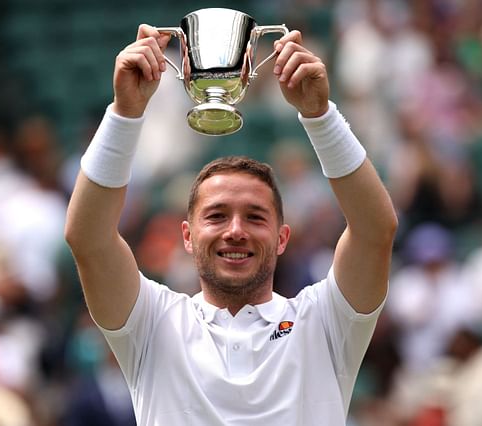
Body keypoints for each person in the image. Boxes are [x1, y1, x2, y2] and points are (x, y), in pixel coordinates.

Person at [65, 24, 397, 425]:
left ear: (281, 238)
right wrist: (124, 113)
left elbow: (374, 230)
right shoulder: (151, 323)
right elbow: (88, 237)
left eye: (255, 217)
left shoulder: (325, 323)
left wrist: (320, 116)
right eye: (216, 215)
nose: (235, 230)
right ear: (187, 236)